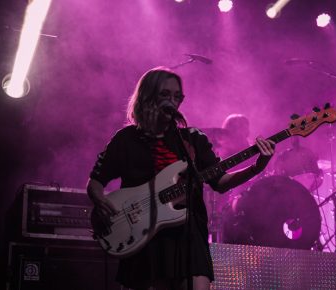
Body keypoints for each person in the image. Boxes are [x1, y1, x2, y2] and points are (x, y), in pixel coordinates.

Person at [86, 67, 275, 290]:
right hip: (143, 234)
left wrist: (256, 167)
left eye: (177, 96)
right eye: (165, 95)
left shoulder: (193, 140)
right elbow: (96, 181)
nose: (172, 101)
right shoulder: (126, 139)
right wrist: (100, 200)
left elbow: (220, 182)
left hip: (189, 233)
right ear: (147, 95)